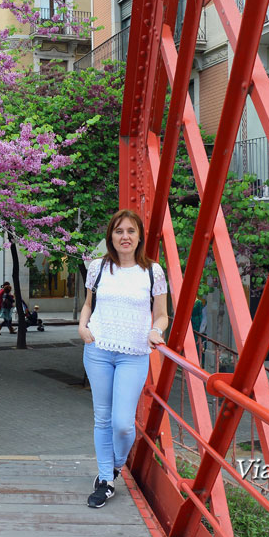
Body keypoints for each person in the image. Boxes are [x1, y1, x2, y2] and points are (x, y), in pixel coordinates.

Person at [79, 209, 168, 509]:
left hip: (134, 354)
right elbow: (88, 305)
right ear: (111, 237)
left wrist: (156, 330)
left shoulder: (152, 271)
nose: (125, 236)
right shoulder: (98, 267)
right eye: (119, 231)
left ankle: (115, 464)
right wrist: (82, 327)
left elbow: (162, 314)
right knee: (102, 418)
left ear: (140, 236)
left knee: (123, 424)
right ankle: (106, 479)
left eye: (130, 231)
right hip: (98, 350)